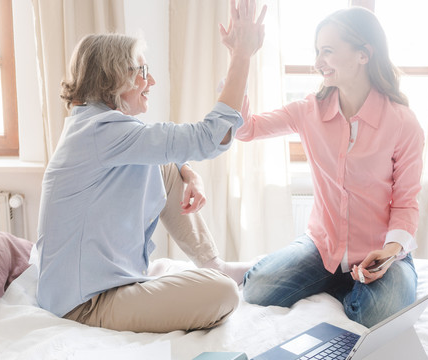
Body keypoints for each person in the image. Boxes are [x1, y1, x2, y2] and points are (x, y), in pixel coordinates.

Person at [35, 0, 267, 333]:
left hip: (96, 287)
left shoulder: (97, 126)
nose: (152, 81)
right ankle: (216, 272)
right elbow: (210, 137)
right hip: (85, 303)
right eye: (142, 71)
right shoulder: (102, 131)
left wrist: (186, 172)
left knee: (164, 166)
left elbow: (163, 152)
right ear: (114, 77)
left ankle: (213, 263)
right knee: (223, 294)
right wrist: (241, 55)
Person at [238, 7, 424, 328]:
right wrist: (240, 57)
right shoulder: (309, 111)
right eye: (317, 51)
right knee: (256, 288)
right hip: (323, 248)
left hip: (380, 253)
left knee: (379, 315)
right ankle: (335, 280)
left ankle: (350, 283)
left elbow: (406, 203)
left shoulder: (403, 123)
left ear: (364, 54)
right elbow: (246, 129)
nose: (317, 62)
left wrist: (391, 251)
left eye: (327, 51)